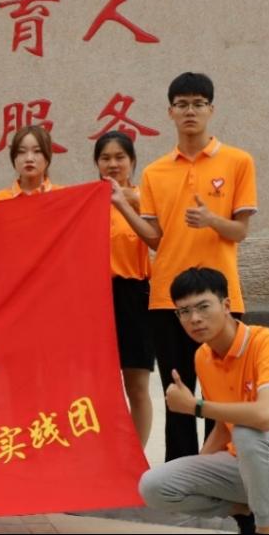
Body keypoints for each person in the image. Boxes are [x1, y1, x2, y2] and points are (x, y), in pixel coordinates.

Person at [110, 72, 258, 462]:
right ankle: (179, 472)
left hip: (220, 298)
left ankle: (218, 468)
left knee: (220, 393)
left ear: (211, 109)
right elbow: (156, 239)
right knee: (176, 391)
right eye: (182, 104)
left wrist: (211, 220)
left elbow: (240, 231)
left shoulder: (238, 162)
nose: (190, 111)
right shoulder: (155, 172)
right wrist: (123, 206)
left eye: (198, 103)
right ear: (170, 112)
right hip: (167, 298)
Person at [139, 268, 269, 534]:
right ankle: (243, 509)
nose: (194, 319)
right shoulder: (203, 357)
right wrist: (197, 471)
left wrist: (195, 407)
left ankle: (265, 528)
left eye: (203, 307)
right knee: (153, 485)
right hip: (245, 467)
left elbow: (265, 417)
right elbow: (222, 427)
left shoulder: (265, 342)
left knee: (247, 431)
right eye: (184, 311)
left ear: (226, 305)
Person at [95, 131, 154, 448]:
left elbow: (157, 237)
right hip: (95, 299)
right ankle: (106, 455)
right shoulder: (87, 201)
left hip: (133, 296)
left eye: (120, 157)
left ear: (132, 161)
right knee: (99, 387)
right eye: (105, 158)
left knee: (137, 385)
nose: (113, 164)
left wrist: (126, 201)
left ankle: (136, 456)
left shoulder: (145, 199)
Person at [0, 125, 62, 201]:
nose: (29, 158)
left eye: (37, 151)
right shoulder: (0, 199)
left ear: (47, 157)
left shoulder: (62, 196)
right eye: (22, 151)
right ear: (14, 158)